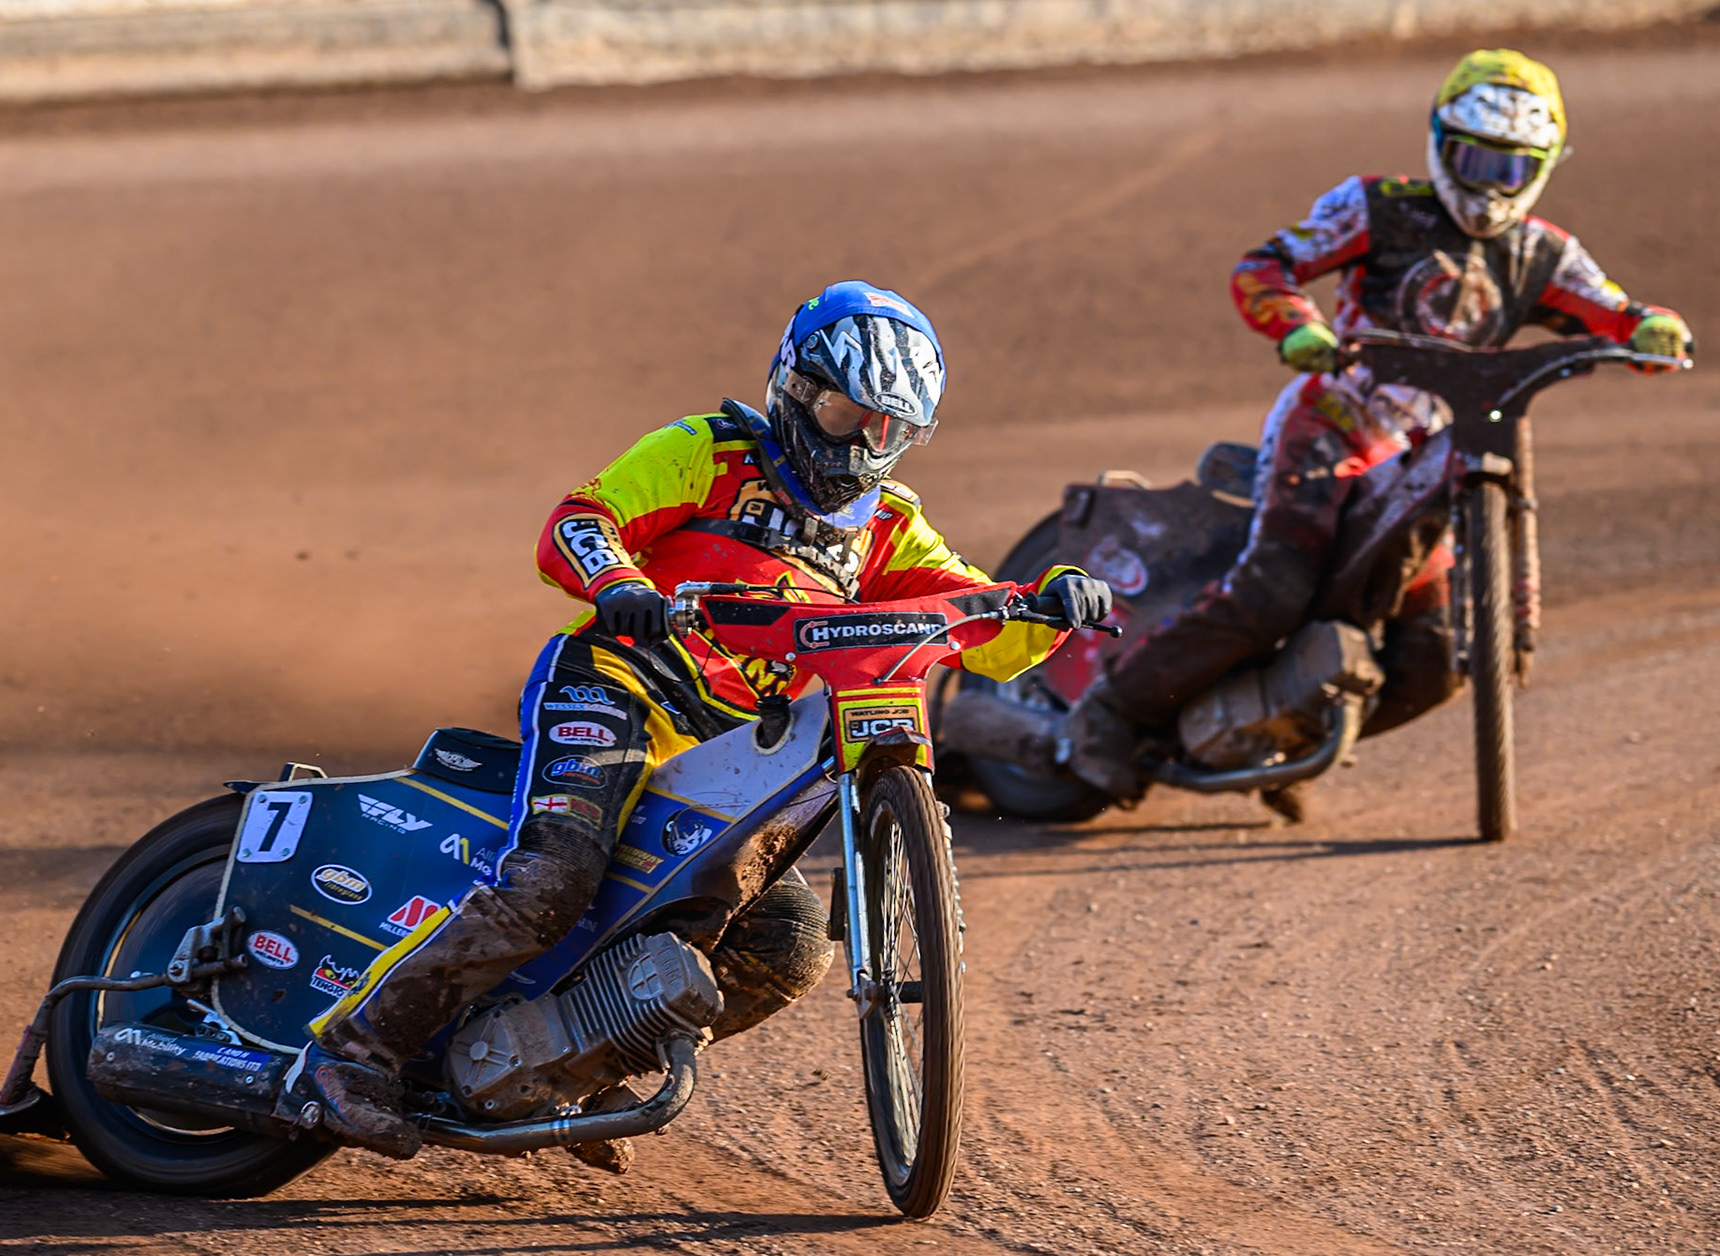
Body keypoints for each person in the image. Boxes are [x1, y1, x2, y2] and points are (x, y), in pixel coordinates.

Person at [293, 281, 1114, 1160]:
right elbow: (580, 520)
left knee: (787, 945)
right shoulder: (707, 452)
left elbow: (972, 623)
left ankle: (565, 1065)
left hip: (727, 749)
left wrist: (1043, 604)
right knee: (554, 881)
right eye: (847, 413)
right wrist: (621, 588)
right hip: (618, 687)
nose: (866, 445)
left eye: (891, 430)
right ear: (797, 390)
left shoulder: (889, 527)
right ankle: (354, 1052)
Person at [1068, 48, 1694, 807]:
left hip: (1437, 454)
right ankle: (1106, 712)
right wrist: (1298, 326)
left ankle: (1278, 734)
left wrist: (1655, 329)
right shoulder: (1377, 205)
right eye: (1472, 159)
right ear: (1438, 140)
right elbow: (1266, 265)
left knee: (1437, 663)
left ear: (1543, 166)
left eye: (1510, 167)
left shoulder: (1545, 252)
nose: (1488, 186)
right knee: (1274, 589)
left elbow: (1617, 311)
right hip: (1336, 418)